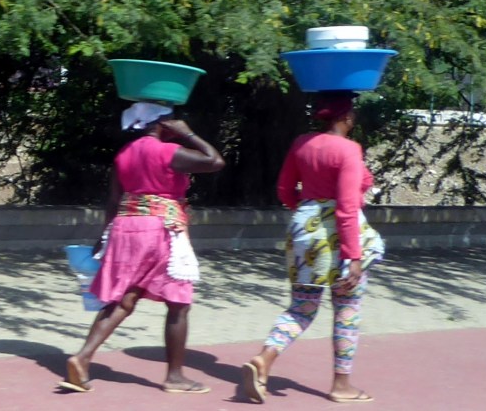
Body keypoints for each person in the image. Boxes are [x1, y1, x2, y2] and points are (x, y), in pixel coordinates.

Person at [59, 101, 225, 395]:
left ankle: (82, 358)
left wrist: (103, 236)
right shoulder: (167, 151)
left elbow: (112, 201)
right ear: (163, 123)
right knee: (179, 302)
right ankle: (175, 377)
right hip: (160, 228)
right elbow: (215, 161)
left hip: (125, 227)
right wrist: (189, 134)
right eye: (172, 121)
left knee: (123, 298)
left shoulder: (124, 153)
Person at [241, 91, 382, 404]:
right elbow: (346, 206)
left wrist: (306, 213)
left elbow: (284, 189)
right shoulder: (348, 149)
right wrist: (353, 257)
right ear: (347, 117)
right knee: (347, 308)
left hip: (303, 231)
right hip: (339, 238)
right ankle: (341, 385)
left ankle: (264, 358)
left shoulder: (301, 143)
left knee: (302, 307)